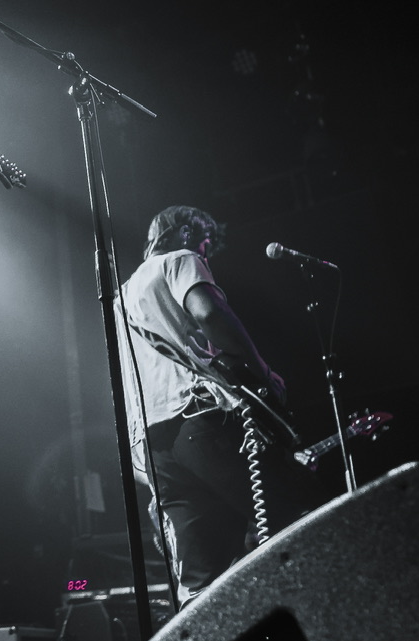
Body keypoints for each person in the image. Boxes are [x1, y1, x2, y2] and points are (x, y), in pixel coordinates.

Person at [118, 206, 329, 600]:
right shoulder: (180, 261)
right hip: (198, 416)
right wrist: (263, 371)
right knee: (295, 521)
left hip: (153, 447)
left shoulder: (119, 298)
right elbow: (210, 312)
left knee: (200, 583)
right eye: (205, 241)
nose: (206, 253)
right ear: (184, 233)